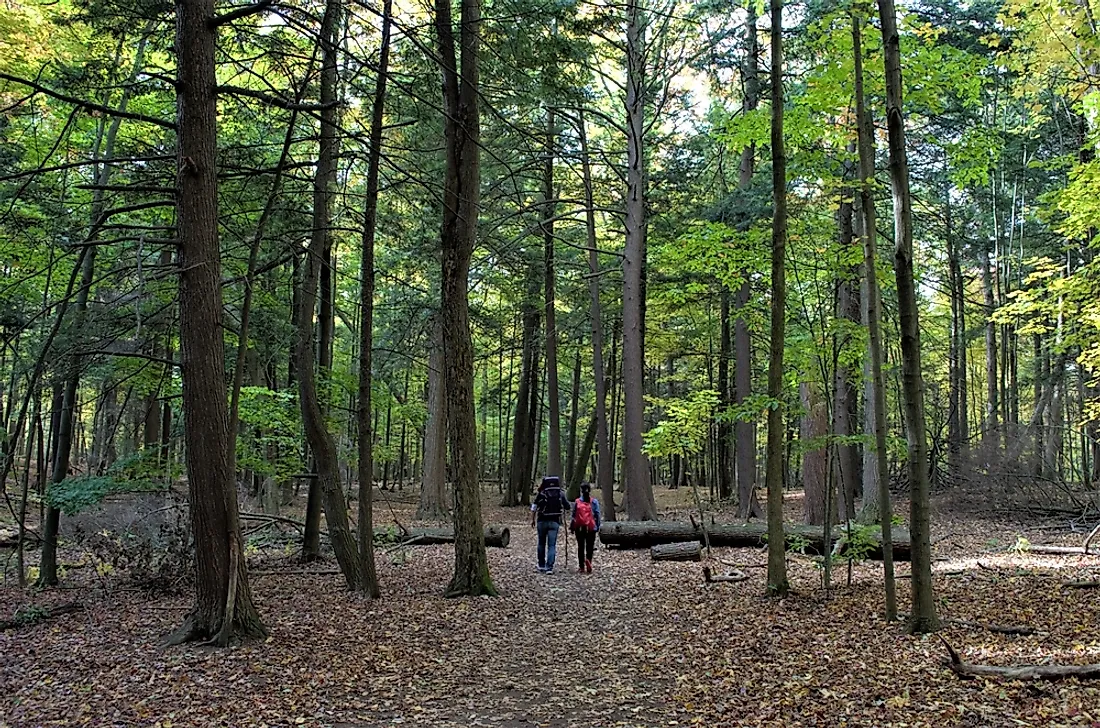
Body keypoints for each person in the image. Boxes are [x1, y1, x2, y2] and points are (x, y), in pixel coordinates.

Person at [530, 475, 569, 573]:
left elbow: (534, 507)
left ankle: (541, 565)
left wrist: (533, 519)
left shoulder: (541, 493)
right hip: (554, 522)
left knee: (541, 543)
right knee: (552, 545)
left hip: (541, 521)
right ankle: (549, 567)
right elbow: (567, 506)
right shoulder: (560, 494)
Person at [570, 482, 601, 573]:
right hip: (591, 527)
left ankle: (581, 567)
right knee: (590, 546)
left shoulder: (577, 502)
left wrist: (572, 527)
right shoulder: (594, 502)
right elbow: (597, 515)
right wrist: (597, 526)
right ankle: (589, 561)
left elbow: (574, 515)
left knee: (581, 546)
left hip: (579, 528)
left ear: (581, 490)